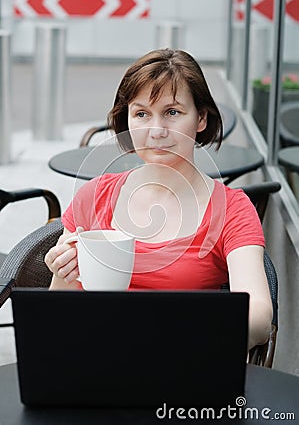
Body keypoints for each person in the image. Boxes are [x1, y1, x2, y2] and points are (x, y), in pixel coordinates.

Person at [45, 48, 272, 350]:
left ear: (201, 118)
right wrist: (63, 274)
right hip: (93, 363)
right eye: (141, 114)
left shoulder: (232, 209)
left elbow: (258, 315)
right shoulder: (94, 196)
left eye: (172, 113)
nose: (156, 131)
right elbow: (56, 316)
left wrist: (180, 340)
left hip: (181, 368)